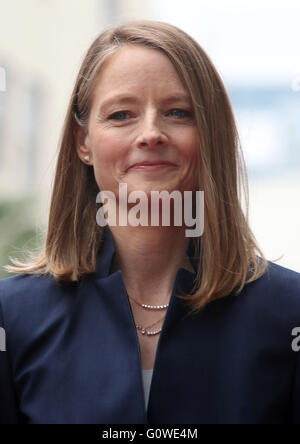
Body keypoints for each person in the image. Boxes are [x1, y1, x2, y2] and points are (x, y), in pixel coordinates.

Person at [0, 20, 300, 425]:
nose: (151, 133)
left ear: (211, 134)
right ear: (83, 142)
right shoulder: (12, 317)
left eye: (178, 112)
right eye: (122, 114)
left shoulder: (289, 313)